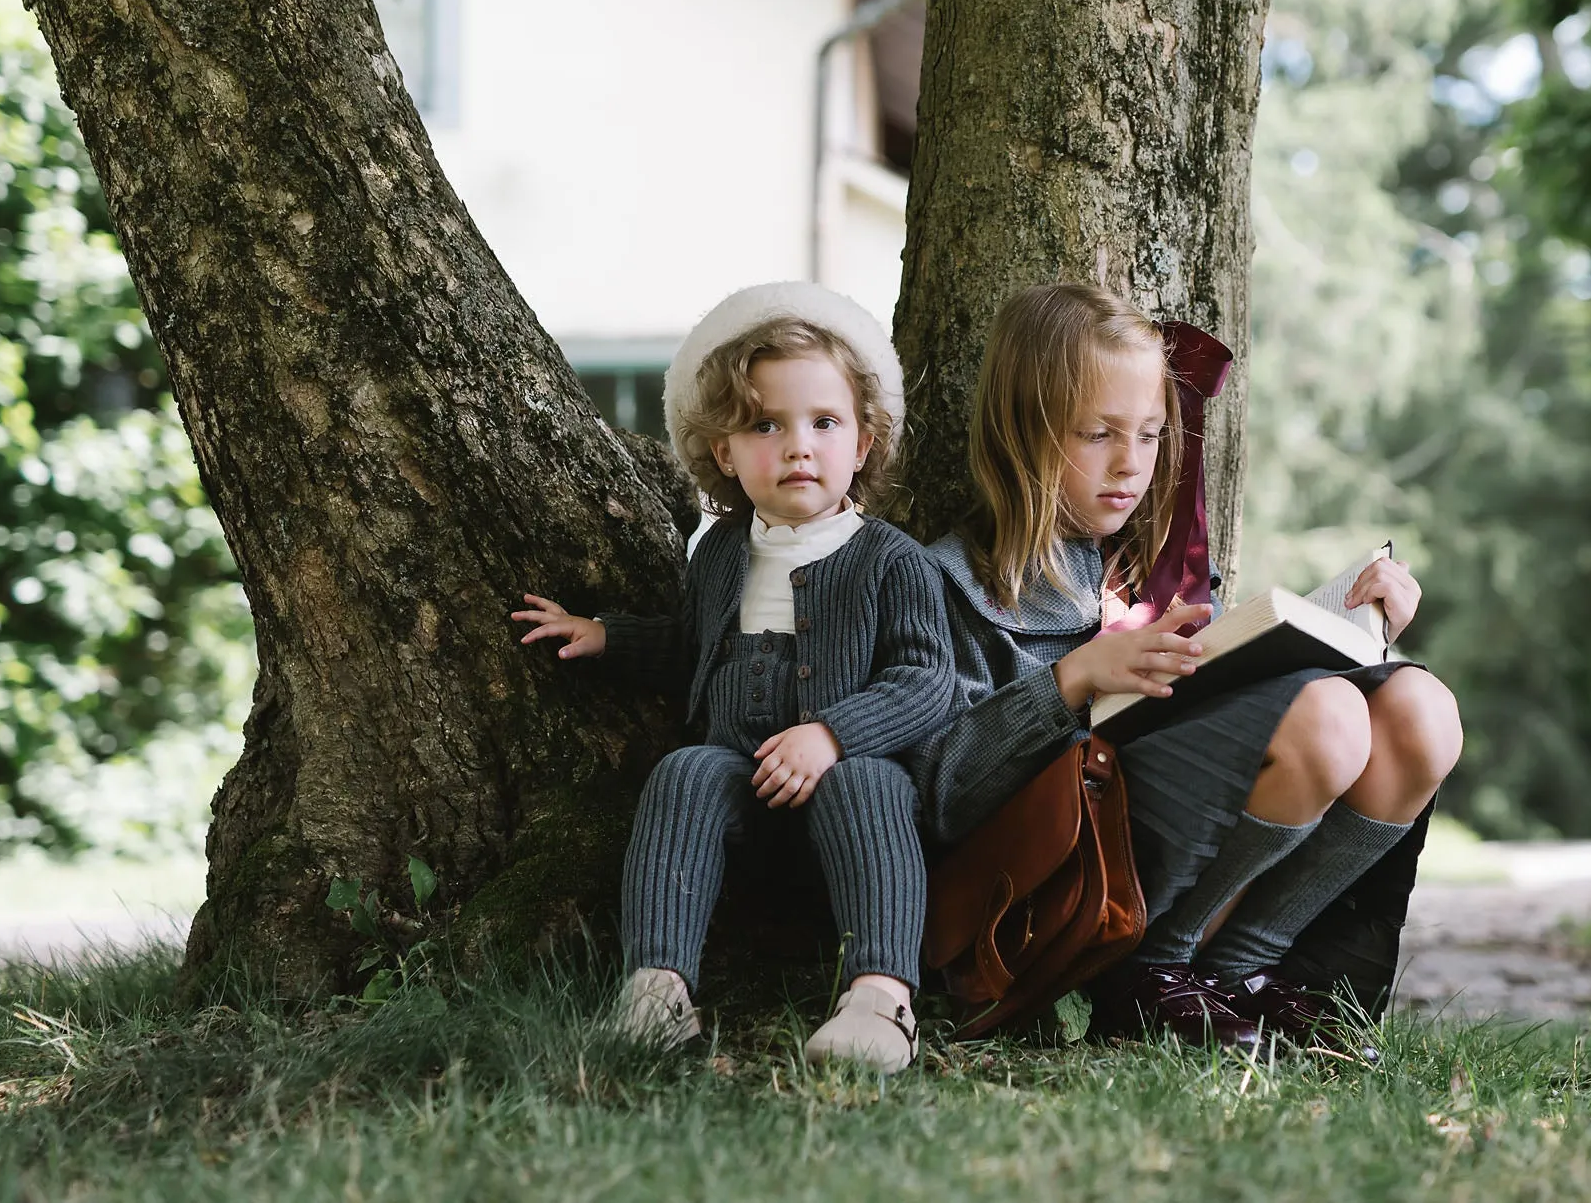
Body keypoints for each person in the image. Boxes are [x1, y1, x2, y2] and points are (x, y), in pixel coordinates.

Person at [912, 283, 1463, 1049]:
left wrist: (1363, 625)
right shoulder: (949, 578)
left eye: (1149, 434)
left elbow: (1243, 684)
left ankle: (1242, 976)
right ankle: (1150, 978)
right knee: (1327, 718)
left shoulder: (1160, 564)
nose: (1130, 465)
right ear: (1022, 431)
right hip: (1068, 878)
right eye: (1097, 432)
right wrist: (1072, 678)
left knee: (1421, 710)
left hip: (1188, 846)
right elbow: (938, 795)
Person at [515, 283, 952, 1075]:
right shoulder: (720, 554)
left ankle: (881, 997)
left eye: (824, 422)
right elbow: (693, 649)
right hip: (742, 797)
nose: (798, 446)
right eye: (766, 424)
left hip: (844, 805)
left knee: (873, 788)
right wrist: (608, 636)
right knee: (685, 770)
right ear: (724, 452)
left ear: (862, 443)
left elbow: (928, 681)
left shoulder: (892, 560)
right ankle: (656, 989)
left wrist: (833, 735)